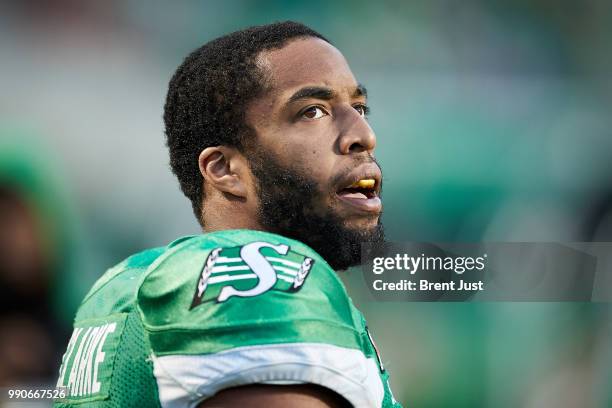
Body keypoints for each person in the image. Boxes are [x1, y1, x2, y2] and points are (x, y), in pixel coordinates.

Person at [54, 21, 401, 408]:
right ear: (224, 170)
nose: (363, 135)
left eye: (358, 107)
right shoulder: (260, 278)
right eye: (312, 111)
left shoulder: (121, 284)